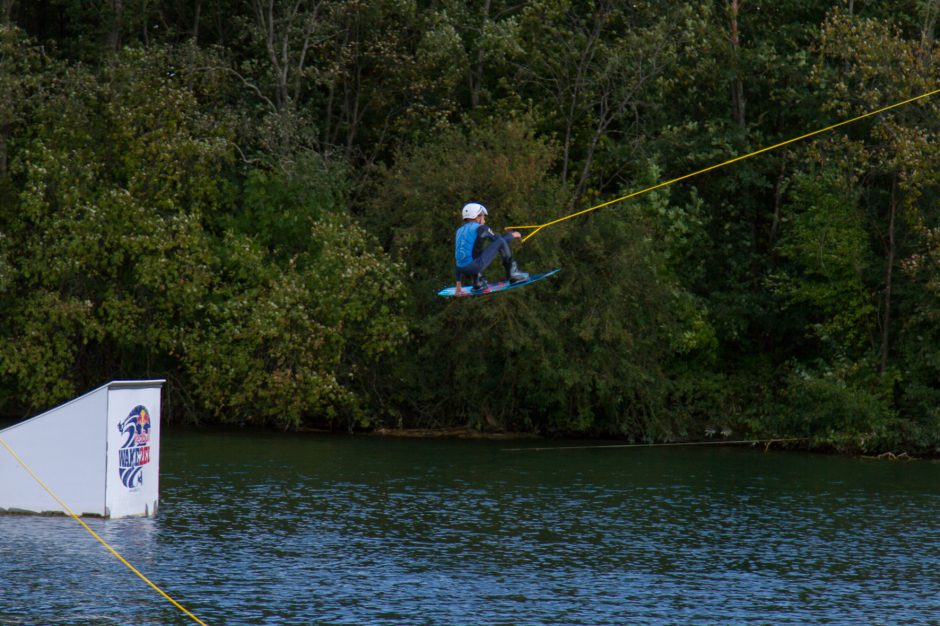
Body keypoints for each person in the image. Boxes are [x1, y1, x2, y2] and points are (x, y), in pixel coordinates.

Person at [454, 202, 529, 295]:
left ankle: (478, 282)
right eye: (483, 217)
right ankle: (513, 274)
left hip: (462, 269)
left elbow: (459, 257)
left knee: (473, 250)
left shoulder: (459, 231)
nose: (484, 220)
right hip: (474, 266)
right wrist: (513, 235)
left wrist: (458, 285)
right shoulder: (482, 228)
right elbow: (500, 241)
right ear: (477, 217)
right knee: (500, 242)